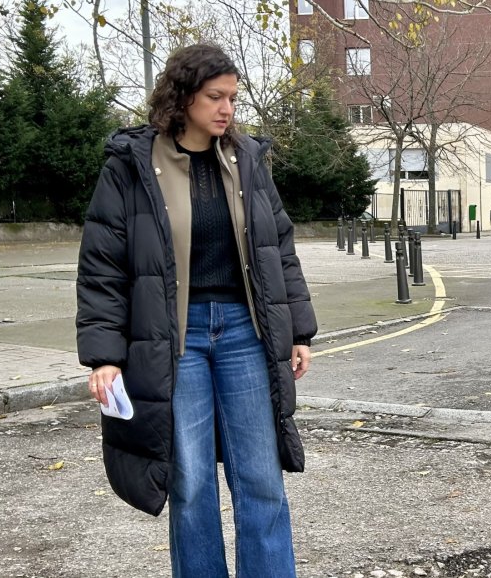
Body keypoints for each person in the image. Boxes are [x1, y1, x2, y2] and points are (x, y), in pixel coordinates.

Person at [77, 43, 315, 578]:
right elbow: (103, 265)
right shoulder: (132, 165)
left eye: (232, 96)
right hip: (174, 340)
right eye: (215, 96)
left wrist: (299, 329)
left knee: (260, 479)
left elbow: (279, 248)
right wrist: (104, 357)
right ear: (183, 97)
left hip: (243, 333)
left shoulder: (248, 159)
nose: (227, 107)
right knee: (190, 485)